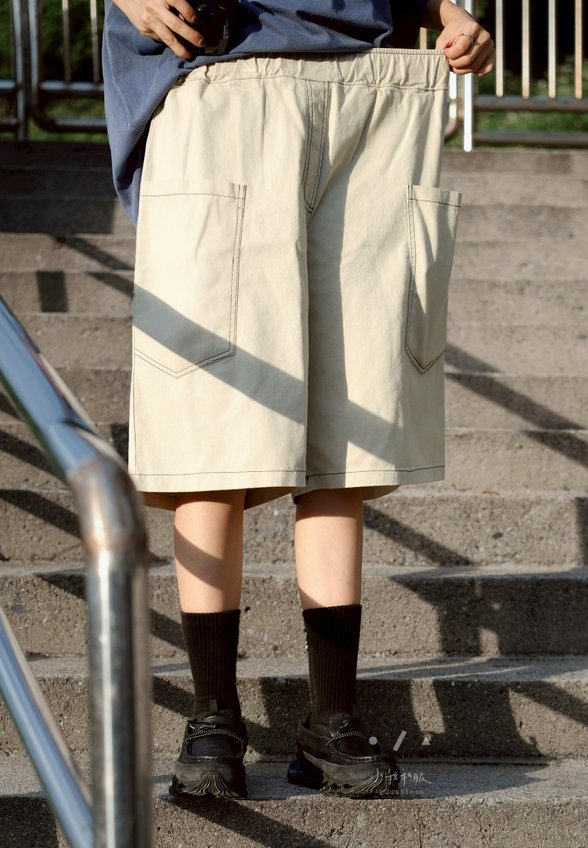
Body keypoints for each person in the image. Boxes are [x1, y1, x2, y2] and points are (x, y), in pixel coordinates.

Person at [103, 0, 493, 799]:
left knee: (348, 428)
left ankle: (331, 719)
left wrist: (446, 9)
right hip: (221, 76)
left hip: (372, 93)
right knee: (211, 421)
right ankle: (213, 713)